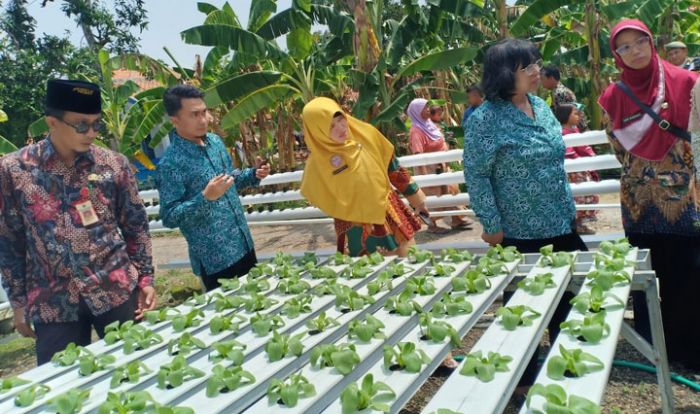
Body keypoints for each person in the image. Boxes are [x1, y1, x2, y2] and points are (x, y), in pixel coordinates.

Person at [0, 79, 156, 365]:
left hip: (116, 289)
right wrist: (18, 301)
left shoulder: (113, 164)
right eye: (82, 125)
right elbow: (9, 239)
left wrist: (146, 278)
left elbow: (136, 225)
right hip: (53, 302)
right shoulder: (14, 170)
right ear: (52, 122)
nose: (91, 133)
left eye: (97, 124)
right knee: (62, 387)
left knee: (136, 367)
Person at [464, 39, 587, 386]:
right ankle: (522, 382)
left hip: (560, 222)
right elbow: (477, 174)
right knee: (523, 311)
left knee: (571, 301)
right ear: (505, 74)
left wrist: (570, 208)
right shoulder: (485, 119)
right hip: (518, 232)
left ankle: (569, 376)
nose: (536, 72)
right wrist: (491, 223)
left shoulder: (541, 106)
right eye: (527, 67)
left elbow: (555, 162)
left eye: (536, 64)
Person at [598, 19, 700, 370]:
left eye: (639, 42)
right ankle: (650, 346)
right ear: (616, 55)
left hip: (685, 199)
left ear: (650, 40)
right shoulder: (613, 96)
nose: (634, 51)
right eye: (624, 47)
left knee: (687, 272)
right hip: (638, 202)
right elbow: (617, 150)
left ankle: (687, 348)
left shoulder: (687, 82)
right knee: (644, 272)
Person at [157, 85, 270, 292]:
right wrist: (205, 198)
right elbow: (169, 216)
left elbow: (229, 179)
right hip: (215, 259)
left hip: (243, 243)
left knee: (258, 306)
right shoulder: (170, 164)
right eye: (194, 115)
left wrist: (253, 174)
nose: (203, 120)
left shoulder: (215, 142)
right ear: (175, 120)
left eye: (204, 112)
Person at [300, 97, 428, 258]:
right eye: (330, 126)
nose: (340, 128)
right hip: (353, 226)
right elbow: (319, 194)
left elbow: (394, 169)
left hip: (387, 212)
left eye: (341, 120)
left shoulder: (366, 134)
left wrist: (418, 200)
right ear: (317, 131)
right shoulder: (318, 164)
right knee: (370, 275)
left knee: (408, 261)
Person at [407, 98, 473, 234]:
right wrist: (426, 178)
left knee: (451, 190)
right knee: (433, 196)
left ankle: (456, 219)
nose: (428, 110)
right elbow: (418, 156)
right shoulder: (416, 131)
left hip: (441, 166)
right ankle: (432, 224)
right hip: (429, 168)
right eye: (425, 108)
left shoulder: (428, 124)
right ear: (417, 112)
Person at [554, 103, 599, 235]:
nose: (578, 116)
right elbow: (569, 153)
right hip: (574, 172)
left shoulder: (575, 130)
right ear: (565, 115)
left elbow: (584, 147)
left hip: (582, 168)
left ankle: (579, 224)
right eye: (574, 113)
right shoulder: (561, 132)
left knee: (587, 194)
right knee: (578, 197)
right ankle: (575, 224)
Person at [540, 64, 589, 131]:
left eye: (542, 79)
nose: (541, 82)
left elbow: (564, 118)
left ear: (551, 78)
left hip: (575, 131)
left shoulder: (559, 93)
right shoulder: (560, 90)